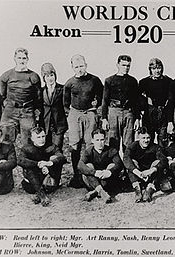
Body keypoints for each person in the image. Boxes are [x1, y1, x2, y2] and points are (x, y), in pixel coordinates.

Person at [63, 54, 104, 188]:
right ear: (72, 67)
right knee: (75, 146)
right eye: (76, 67)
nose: (79, 69)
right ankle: (77, 176)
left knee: (90, 144)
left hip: (90, 113)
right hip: (75, 114)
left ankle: (90, 175)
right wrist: (72, 115)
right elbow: (65, 102)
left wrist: (96, 103)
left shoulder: (94, 80)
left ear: (86, 65)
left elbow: (101, 95)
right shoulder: (70, 83)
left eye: (81, 66)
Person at [0, 47, 42, 147]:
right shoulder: (6, 76)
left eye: (24, 58)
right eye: (19, 58)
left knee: (28, 142)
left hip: (27, 111)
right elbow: (2, 95)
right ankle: (7, 161)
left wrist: (34, 110)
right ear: (14, 58)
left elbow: (38, 97)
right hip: (10, 111)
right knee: (6, 140)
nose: (21, 61)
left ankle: (26, 161)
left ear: (27, 59)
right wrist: (8, 106)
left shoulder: (33, 76)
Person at [18, 127, 66, 207]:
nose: (41, 139)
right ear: (32, 138)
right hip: (31, 184)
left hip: (48, 182)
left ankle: (40, 194)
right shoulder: (26, 148)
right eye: (38, 137)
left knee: (54, 158)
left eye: (43, 136)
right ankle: (42, 195)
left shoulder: (51, 146)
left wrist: (49, 163)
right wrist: (38, 164)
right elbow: (20, 161)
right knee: (28, 168)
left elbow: (62, 157)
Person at [102, 55, 141, 151]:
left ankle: (127, 165)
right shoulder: (109, 80)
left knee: (128, 143)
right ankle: (114, 165)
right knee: (113, 142)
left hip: (128, 113)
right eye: (123, 65)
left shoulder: (133, 81)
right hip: (114, 112)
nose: (126, 68)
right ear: (117, 65)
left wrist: (137, 118)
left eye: (128, 66)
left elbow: (136, 101)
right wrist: (104, 118)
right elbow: (105, 100)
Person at [78, 129, 124, 203]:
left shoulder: (111, 150)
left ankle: (96, 192)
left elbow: (119, 164)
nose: (100, 143)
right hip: (92, 181)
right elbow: (80, 165)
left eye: (102, 140)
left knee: (112, 165)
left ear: (105, 140)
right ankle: (101, 191)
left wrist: (109, 171)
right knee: (88, 166)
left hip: (106, 180)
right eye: (97, 140)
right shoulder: (88, 151)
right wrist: (94, 172)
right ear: (92, 140)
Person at [123, 127, 168, 203]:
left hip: (151, 174)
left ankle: (150, 189)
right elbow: (126, 158)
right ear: (138, 137)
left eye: (148, 138)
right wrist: (137, 172)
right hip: (138, 173)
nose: (146, 140)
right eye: (143, 138)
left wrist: (152, 170)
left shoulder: (155, 147)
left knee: (157, 162)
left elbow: (163, 160)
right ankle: (137, 189)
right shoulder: (133, 146)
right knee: (131, 162)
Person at [139, 58, 172, 147]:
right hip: (149, 113)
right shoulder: (144, 82)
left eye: (159, 68)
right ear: (150, 70)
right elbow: (139, 98)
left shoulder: (168, 81)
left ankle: (163, 159)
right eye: (154, 69)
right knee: (148, 138)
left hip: (163, 112)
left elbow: (170, 100)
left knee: (163, 139)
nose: (157, 71)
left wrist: (169, 120)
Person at [40, 62, 68, 151]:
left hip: (59, 123)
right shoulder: (41, 91)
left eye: (51, 75)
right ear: (44, 78)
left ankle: (57, 164)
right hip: (45, 124)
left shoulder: (62, 89)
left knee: (57, 148)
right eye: (47, 76)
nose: (50, 78)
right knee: (46, 148)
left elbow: (66, 104)